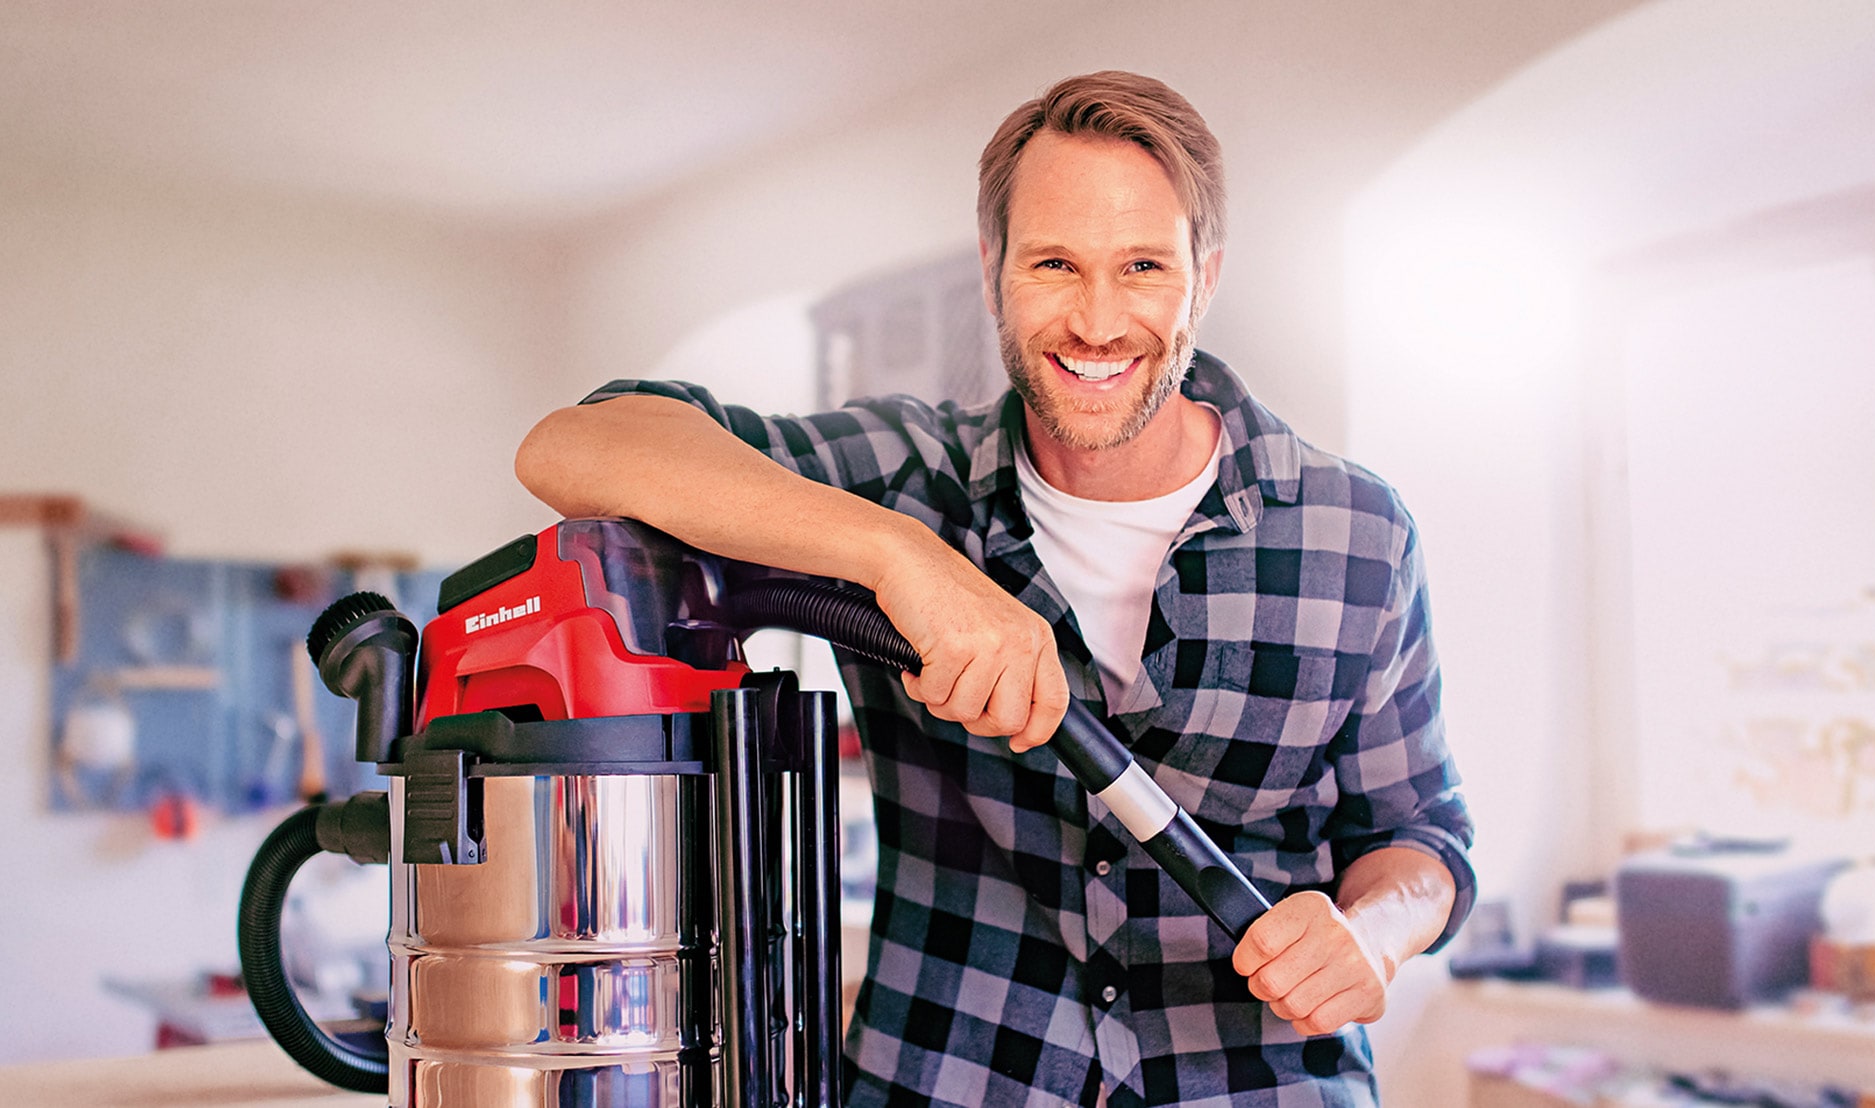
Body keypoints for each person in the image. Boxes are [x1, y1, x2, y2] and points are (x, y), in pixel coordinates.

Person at [517, 70, 1474, 1107]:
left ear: (1206, 275)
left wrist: (1374, 933)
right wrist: (900, 557)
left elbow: (1422, 834)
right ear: (993, 273)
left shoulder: (1354, 530)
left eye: (1143, 265)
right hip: (954, 1079)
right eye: (1054, 263)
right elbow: (577, 444)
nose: (1099, 321)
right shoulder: (907, 477)